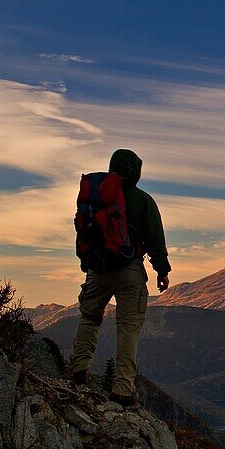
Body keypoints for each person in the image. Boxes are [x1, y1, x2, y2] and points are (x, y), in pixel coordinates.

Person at [68, 149, 170, 407]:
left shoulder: (96, 198)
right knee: (128, 328)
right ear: (136, 172)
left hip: (97, 269)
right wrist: (162, 271)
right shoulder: (143, 201)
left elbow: (84, 231)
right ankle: (123, 389)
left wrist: (88, 263)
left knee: (89, 318)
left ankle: (78, 369)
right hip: (130, 270)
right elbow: (156, 239)